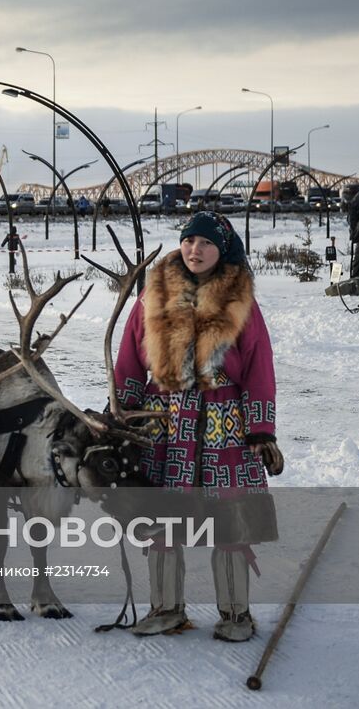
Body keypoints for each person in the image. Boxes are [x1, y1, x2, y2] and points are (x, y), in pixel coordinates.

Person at [113, 211, 283, 642]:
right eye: (189, 241)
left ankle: (235, 614)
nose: (195, 250)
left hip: (222, 422)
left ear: (221, 248)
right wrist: (123, 412)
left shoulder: (239, 299)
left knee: (228, 519)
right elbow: (131, 360)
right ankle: (167, 608)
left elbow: (259, 365)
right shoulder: (152, 295)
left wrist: (261, 429)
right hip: (163, 422)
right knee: (160, 518)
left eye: (206, 243)